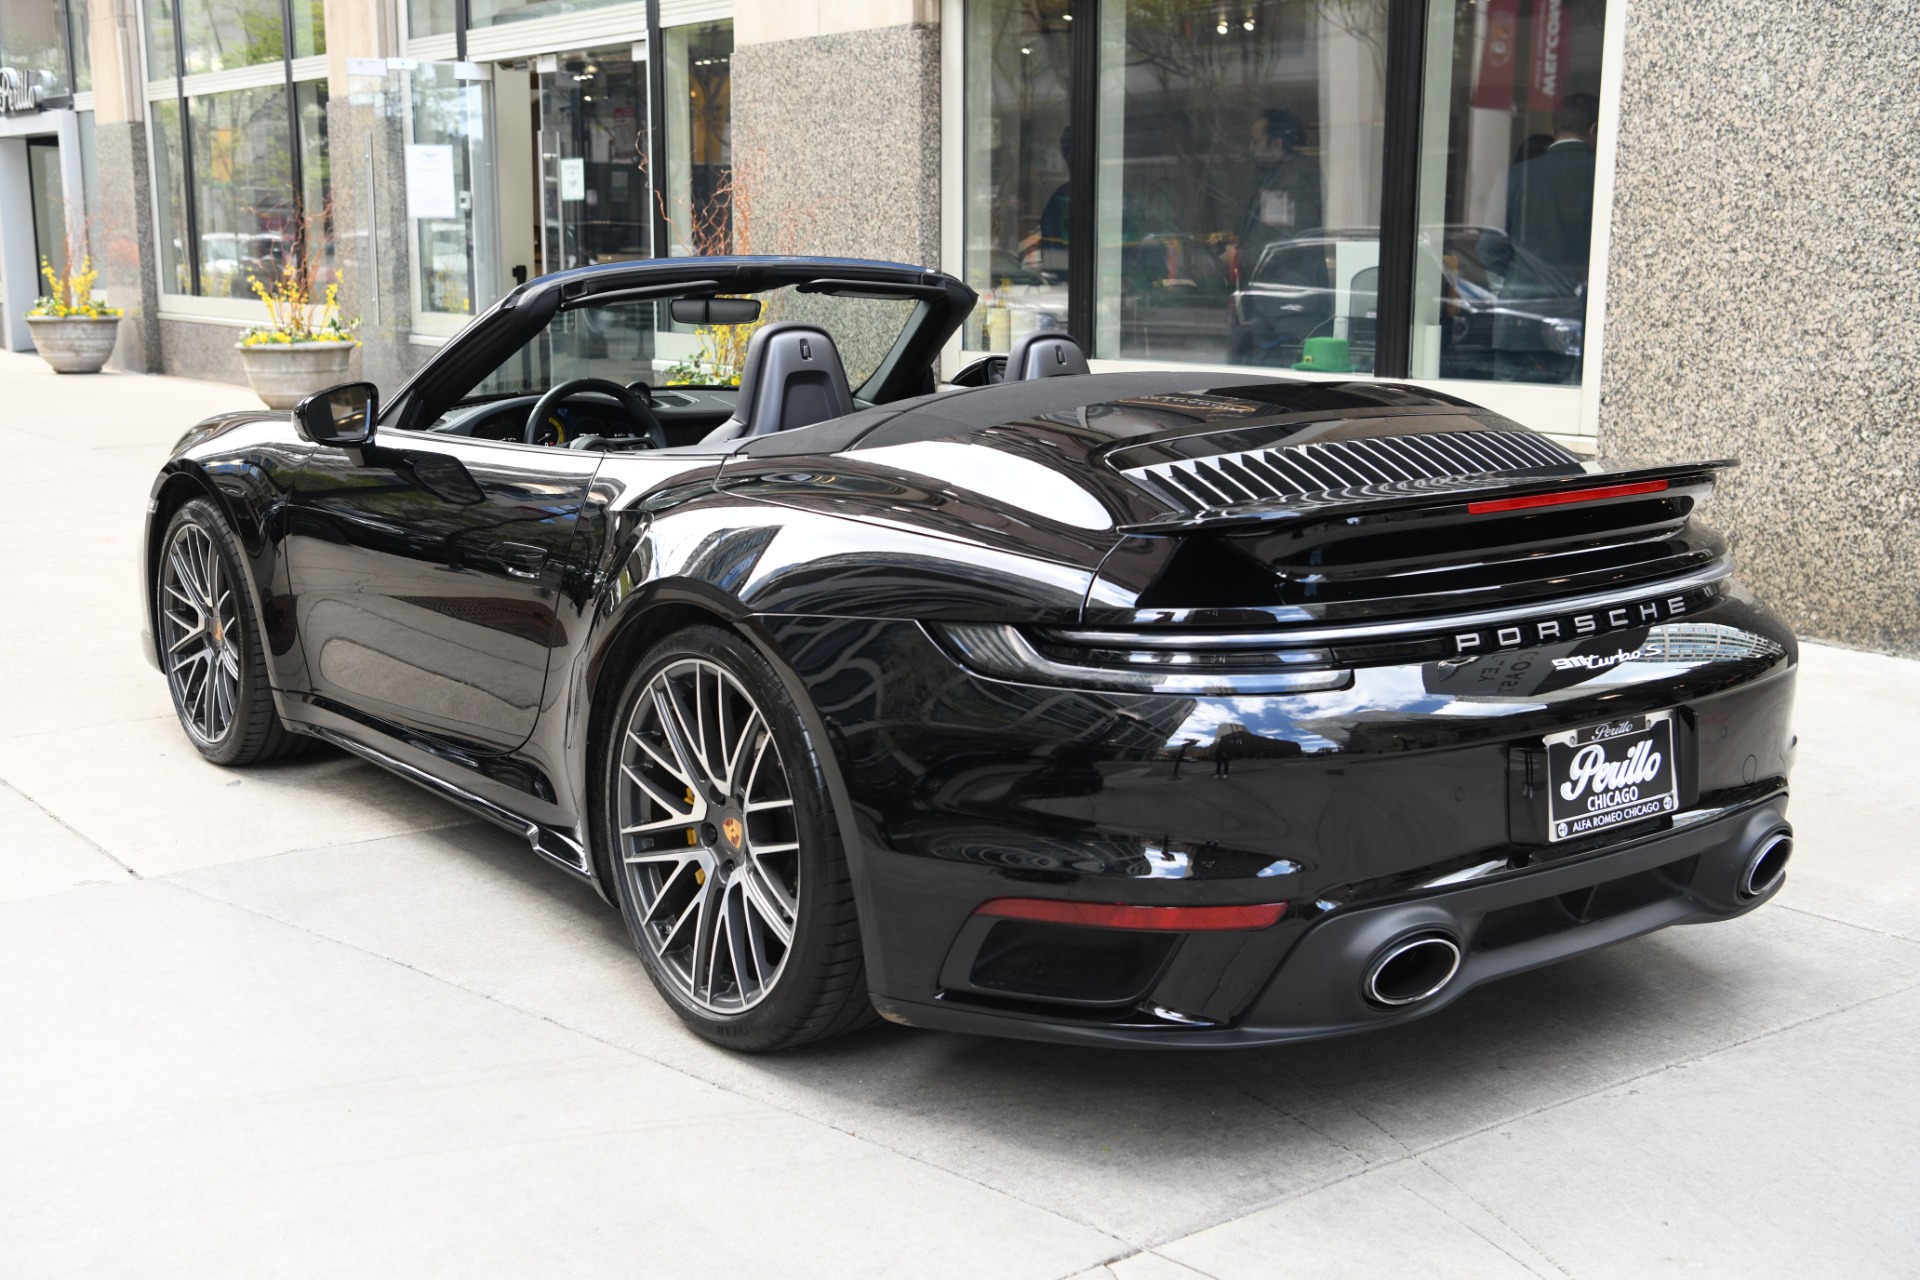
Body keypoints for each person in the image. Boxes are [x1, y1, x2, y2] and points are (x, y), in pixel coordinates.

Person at [1484, 93, 1599, 381]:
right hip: (1578, 323)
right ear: (1594, 131)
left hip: (1518, 323)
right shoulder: (1604, 178)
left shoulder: (1512, 176)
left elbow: (1488, 248)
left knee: (1508, 416)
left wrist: (1523, 274)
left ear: (1553, 131)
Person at [1238, 108, 1323, 283]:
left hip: (1286, 297)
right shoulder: (1278, 175)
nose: (1251, 148)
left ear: (1277, 144)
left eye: (1256, 142)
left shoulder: (1297, 179)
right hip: (1274, 297)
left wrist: (1240, 258)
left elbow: (1289, 242)